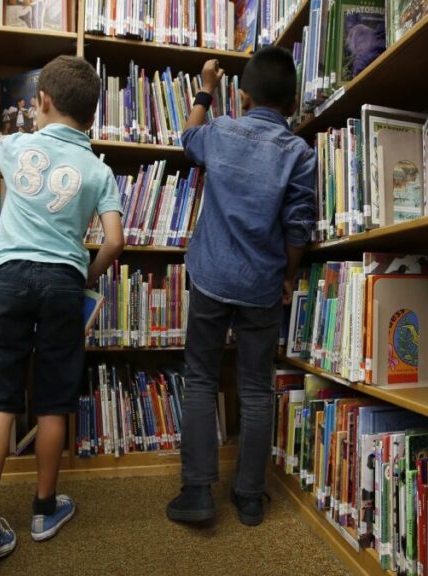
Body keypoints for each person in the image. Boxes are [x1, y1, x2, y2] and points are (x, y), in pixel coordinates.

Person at [0, 55, 125, 564]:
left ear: (42, 103)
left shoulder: (18, 145)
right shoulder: (98, 170)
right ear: (92, 117)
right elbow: (115, 240)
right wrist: (86, 276)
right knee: (53, 399)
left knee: (0, 397)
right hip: (62, 283)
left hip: (7, 278)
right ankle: (45, 508)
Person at [166, 47, 316, 527]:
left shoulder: (222, 130)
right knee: (255, 387)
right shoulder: (299, 153)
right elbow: (298, 228)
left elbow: (187, 137)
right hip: (260, 285)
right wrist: (288, 275)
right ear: (292, 106)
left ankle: (196, 492)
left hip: (211, 276)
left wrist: (206, 88)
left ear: (244, 96)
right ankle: (250, 496)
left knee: (201, 379)